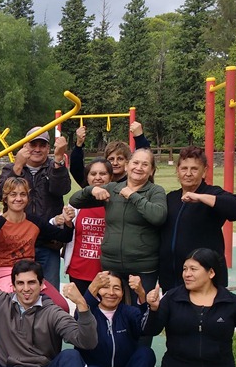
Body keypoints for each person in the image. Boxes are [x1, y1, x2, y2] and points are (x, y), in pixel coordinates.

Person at [68, 148, 167, 302]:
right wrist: (91, 190)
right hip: (111, 264)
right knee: (111, 310)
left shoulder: (155, 191)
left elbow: (158, 217)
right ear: (127, 166)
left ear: (152, 170)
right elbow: (74, 201)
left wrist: (133, 196)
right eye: (135, 163)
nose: (139, 168)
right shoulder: (112, 189)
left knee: (140, 312)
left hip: (142, 267)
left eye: (145, 164)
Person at [0, 176, 72, 310]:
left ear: (28, 198)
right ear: (5, 198)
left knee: (61, 306)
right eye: (13, 195)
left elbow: (64, 236)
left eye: (23, 194)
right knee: (17, 307)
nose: (18, 199)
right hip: (3, 272)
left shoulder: (35, 222)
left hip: (28, 272)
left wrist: (67, 222)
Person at [158, 146, 236, 293]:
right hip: (172, 280)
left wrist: (200, 197)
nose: (188, 173)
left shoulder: (211, 193)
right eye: (184, 168)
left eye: (194, 169)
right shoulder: (171, 198)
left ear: (204, 171)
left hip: (205, 282)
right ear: (177, 171)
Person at [79, 271, 158, 367]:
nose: (111, 293)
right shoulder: (88, 313)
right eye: (105, 287)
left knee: (146, 353)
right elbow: (79, 317)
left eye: (117, 288)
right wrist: (91, 289)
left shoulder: (128, 312)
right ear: (97, 291)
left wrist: (143, 296)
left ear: (123, 293)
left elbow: (146, 326)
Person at [0, 127, 71, 288]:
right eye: (33, 144)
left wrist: (59, 160)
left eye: (42, 145)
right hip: (18, 243)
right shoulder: (11, 168)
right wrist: (17, 167)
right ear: (24, 146)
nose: (37, 149)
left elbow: (61, 189)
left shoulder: (54, 166)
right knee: (19, 291)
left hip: (47, 242)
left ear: (48, 148)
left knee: (50, 293)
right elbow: (0, 194)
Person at [54, 159, 110, 295]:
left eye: (103, 173)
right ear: (87, 177)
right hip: (79, 271)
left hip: (106, 273)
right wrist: (65, 222)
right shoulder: (76, 203)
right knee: (81, 312)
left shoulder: (116, 203)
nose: (98, 177)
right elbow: (66, 235)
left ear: (111, 177)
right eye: (93, 173)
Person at [68, 122, 151, 186]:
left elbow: (145, 158)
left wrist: (139, 137)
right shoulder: (98, 182)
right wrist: (79, 144)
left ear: (127, 162)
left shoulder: (133, 182)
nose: (115, 163)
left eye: (120, 159)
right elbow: (76, 168)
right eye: (111, 159)